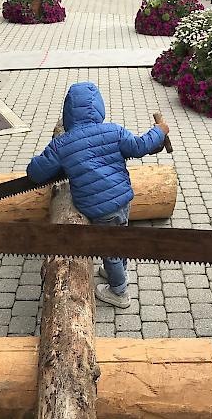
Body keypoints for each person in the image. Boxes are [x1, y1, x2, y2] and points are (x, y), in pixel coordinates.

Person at [26, 82, 169, 308]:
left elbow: (35, 172)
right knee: (119, 236)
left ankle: (119, 292)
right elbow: (141, 146)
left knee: (108, 248)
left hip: (98, 208)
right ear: (99, 108)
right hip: (123, 199)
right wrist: (159, 131)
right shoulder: (114, 131)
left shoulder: (62, 144)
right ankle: (120, 269)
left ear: (68, 113)